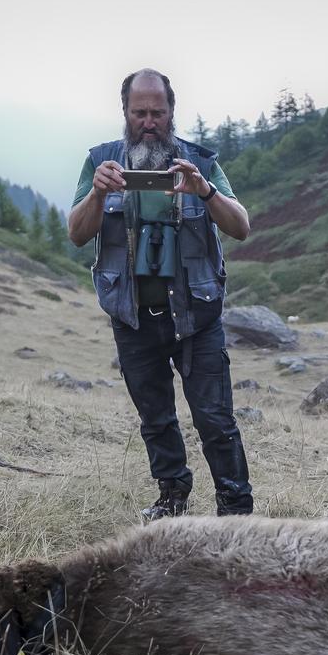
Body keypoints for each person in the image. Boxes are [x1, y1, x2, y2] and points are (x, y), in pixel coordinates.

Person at [68, 68, 254, 521]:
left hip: (196, 317)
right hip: (134, 317)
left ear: (172, 112)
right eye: (139, 113)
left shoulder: (201, 163)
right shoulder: (101, 162)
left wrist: (204, 191)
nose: (149, 121)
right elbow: (77, 233)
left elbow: (241, 226)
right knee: (156, 419)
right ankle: (172, 497)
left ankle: (236, 511)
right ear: (125, 113)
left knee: (215, 420)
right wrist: (96, 194)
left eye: (158, 112)